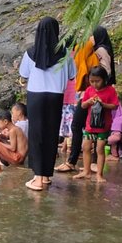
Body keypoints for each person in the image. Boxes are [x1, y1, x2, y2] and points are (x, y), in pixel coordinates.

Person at [19, 17, 76, 191]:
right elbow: (72, 76)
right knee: (51, 134)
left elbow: (24, 74)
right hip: (55, 97)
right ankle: (45, 176)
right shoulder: (65, 53)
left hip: (35, 96)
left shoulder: (30, 53)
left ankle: (37, 178)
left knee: (36, 135)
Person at [57, 26, 115, 173]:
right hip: (90, 95)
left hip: (96, 97)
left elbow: (104, 73)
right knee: (91, 127)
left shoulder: (101, 51)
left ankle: (74, 162)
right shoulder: (100, 50)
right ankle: (85, 162)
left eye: (93, 36)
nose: (91, 39)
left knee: (83, 125)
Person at [73, 66, 120, 183]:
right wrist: (88, 101)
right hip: (90, 125)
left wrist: (103, 104)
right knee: (86, 147)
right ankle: (86, 171)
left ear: (104, 79)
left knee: (100, 149)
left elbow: (115, 106)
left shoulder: (110, 90)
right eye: (92, 81)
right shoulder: (89, 90)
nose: (94, 84)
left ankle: (99, 174)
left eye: (97, 81)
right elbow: (83, 105)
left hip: (103, 126)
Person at [0, 110, 28, 176]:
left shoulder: (13, 130)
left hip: (18, 158)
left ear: (5, 121)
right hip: (19, 156)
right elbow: (7, 138)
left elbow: (12, 148)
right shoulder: (15, 128)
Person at [59, 64, 77, 152]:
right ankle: (67, 145)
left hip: (71, 95)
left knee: (70, 123)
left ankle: (69, 147)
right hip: (68, 95)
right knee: (69, 123)